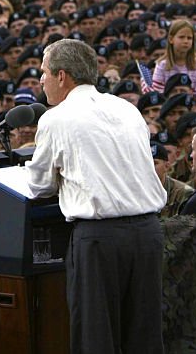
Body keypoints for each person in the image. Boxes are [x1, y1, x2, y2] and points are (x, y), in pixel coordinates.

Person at [26, 39, 166, 354]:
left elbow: (38, 187)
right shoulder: (127, 109)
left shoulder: (55, 119)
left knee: (96, 338)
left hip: (100, 239)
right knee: (145, 337)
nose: (41, 80)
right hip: (148, 234)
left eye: (44, 72)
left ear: (62, 76)